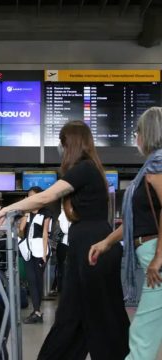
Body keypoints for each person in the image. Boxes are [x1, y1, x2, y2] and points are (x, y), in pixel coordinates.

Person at [0, 120, 130, 360]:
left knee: (102, 320)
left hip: (92, 247)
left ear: (72, 144)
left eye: (63, 143)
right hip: (87, 245)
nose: (60, 148)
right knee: (75, 317)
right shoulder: (89, 169)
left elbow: (47, 196)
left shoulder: (84, 168)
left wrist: (5, 210)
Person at [89, 107, 162, 360]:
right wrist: (107, 242)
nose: (136, 138)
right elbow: (134, 220)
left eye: (137, 132)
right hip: (150, 253)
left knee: (141, 336)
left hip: (157, 258)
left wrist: (159, 258)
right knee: (148, 333)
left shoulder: (157, 166)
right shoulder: (152, 166)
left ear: (149, 133)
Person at [19, 186, 52, 324]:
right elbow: (21, 230)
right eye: (29, 196)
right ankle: (37, 311)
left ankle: (37, 311)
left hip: (40, 250)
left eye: (32, 195)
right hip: (27, 249)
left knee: (38, 280)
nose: (30, 198)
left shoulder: (46, 212)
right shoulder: (26, 213)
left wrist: (44, 254)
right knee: (31, 280)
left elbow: (45, 233)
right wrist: (25, 215)